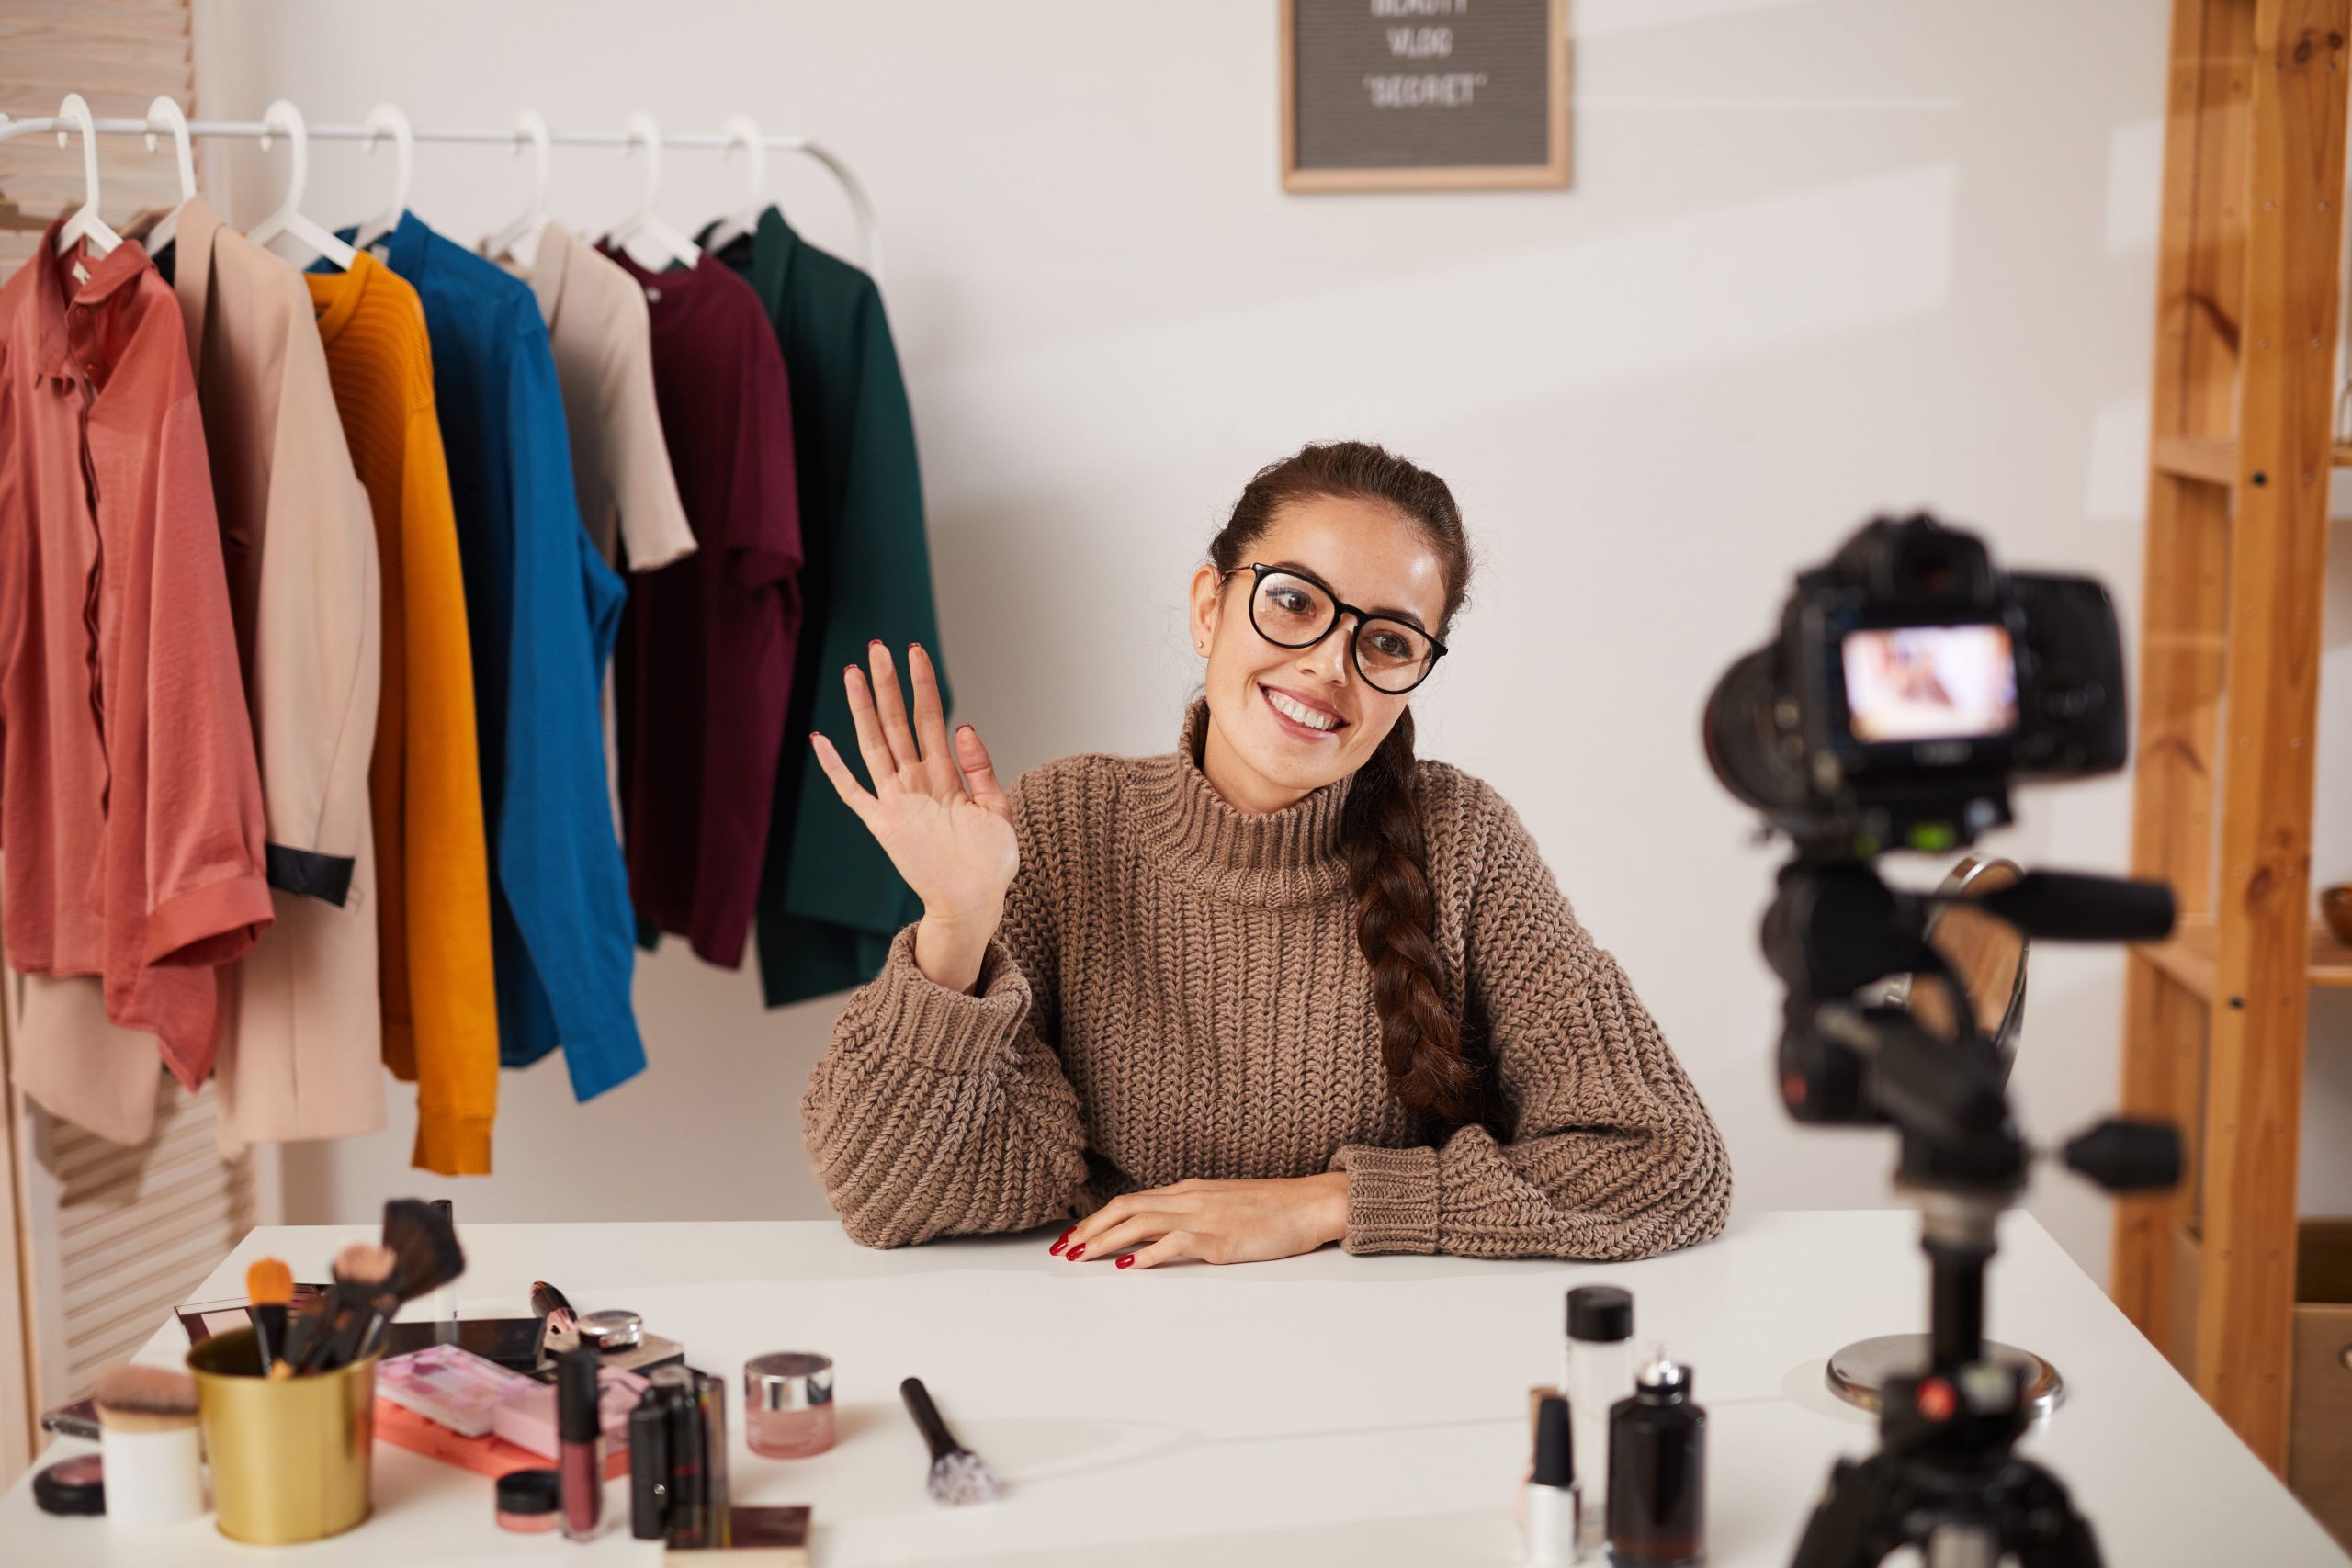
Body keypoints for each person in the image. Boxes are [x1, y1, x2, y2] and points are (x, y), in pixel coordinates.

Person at [800, 441, 1730, 1266]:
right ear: (1210, 607)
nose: (1331, 662)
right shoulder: (1066, 824)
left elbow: (1666, 1162)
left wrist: (1327, 1206)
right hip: (1114, 1350)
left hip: (1397, 1373)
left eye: (1388, 641)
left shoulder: (1462, 838)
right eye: (1293, 601)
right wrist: (956, 931)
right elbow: (882, 1197)